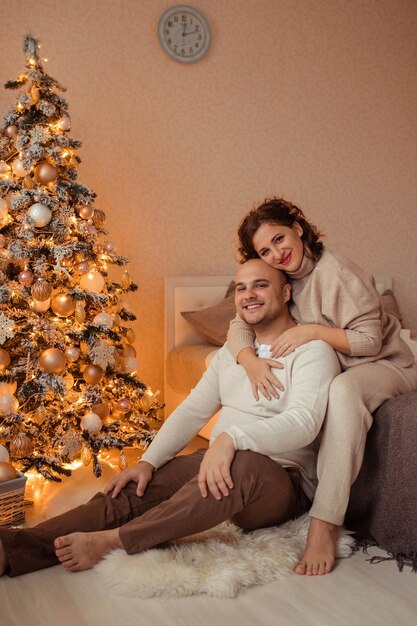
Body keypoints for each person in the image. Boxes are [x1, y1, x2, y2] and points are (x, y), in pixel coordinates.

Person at [0, 260, 340, 578]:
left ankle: (119, 540)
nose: (248, 294)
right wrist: (148, 461)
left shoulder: (313, 351)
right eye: (241, 287)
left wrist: (231, 439)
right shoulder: (231, 353)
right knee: (134, 487)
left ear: (285, 292)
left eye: (261, 285)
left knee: (242, 465)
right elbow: (193, 409)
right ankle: (15, 548)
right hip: (220, 458)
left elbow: (304, 422)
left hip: (278, 480)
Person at [228, 197, 417, 576]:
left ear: (298, 229)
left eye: (280, 239)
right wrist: (247, 359)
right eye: (265, 250)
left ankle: (324, 524)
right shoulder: (278, 281)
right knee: (333, 388)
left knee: (343, 391)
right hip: (342, 366)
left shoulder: (338, 274)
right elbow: (238, 325)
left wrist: (310, 331)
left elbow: (370, 342)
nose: (277, 253)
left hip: (387, 364)